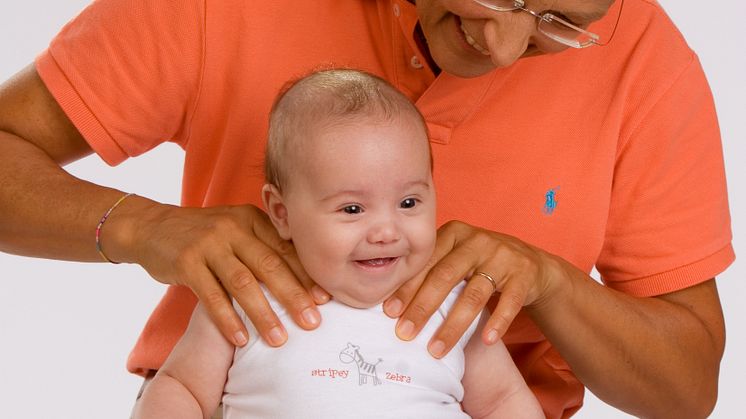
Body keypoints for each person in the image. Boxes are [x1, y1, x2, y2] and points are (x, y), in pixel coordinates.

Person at [0, 0, 733, 417]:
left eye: (554, 19)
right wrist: (140, 224)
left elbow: (689, 385)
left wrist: (548, 285)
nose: (503, 45)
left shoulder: (644, 60)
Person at [133, 68, 544, 419]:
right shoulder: (249, 297)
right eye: (352, 210)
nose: (386, 231)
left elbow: (503, 402)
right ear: (281, 213)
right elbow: (182, 387)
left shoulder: (451, 305)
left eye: (408, 202)